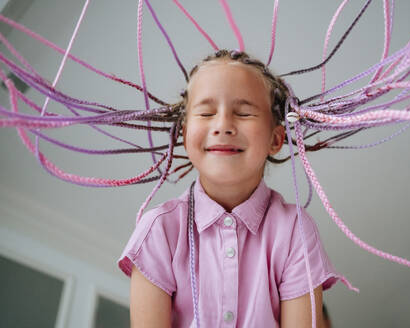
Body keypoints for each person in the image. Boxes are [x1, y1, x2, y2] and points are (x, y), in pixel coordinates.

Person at [118, 50, 340, 327]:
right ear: (184, 135)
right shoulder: (158, 231)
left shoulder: (296, 231)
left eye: (244, 113)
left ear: (276, 138)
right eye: (207, 112)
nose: (222, 125)